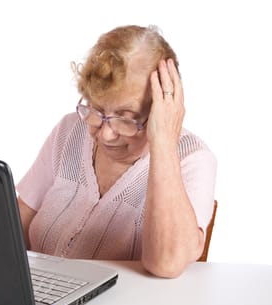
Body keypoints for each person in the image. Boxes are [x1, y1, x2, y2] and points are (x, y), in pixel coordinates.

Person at [16, 25, 216, 278]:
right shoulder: (70, 130)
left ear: (162, 110)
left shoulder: (193, 158)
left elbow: (167, 263)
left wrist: (163, 143)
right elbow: (18, 222)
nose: (105, 134)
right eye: (97, 110)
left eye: (126, 118)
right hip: (46, 303)